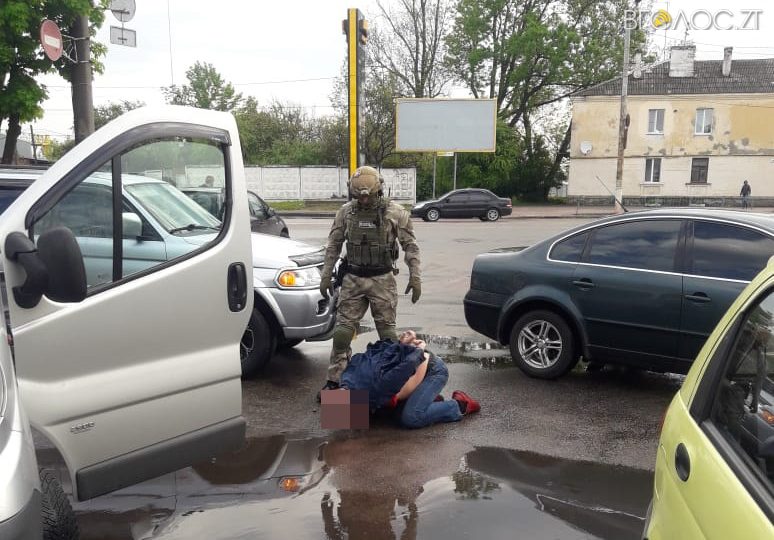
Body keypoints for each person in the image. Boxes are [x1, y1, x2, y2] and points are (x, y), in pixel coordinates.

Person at [317, 166, 422, 400]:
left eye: (368, 196)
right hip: (353, 278)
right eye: (359, 196)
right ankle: (335, 382)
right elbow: (333, 245)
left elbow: (411, 246)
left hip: (382, 279)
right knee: (342, 333)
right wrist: (326, 274)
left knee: (388, 335)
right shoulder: (346, 212)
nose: (364, 200)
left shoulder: (395, 213)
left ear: (379, 190)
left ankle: (390, 384)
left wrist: (415, 276)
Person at [340, 330, 480, 429]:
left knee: (411, 418)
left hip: (433, 371)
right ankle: (427, 400)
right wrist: (401, 344)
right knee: (384, 416)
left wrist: (418, 350)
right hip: (408, 375)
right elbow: (378, 349)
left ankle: (460, 405)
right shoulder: (349, 376)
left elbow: (410, 363)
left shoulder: (381, 385)